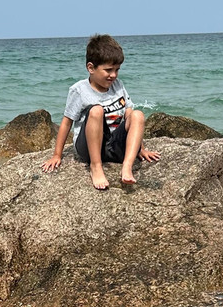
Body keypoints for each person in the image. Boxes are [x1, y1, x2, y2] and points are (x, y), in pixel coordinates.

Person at [41, 34, 160, 190]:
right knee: (96, 111)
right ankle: (96, 167)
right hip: (90, 148)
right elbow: (66, 123)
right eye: (108, 70)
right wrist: (57, 155)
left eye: (117, 70)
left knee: (137, 114)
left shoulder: (118, 85)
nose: (114, 75)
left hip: (115, 146)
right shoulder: (80, 90)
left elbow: (129, 117)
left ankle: (127, 166)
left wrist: (141, 148)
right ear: (91, 68)